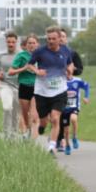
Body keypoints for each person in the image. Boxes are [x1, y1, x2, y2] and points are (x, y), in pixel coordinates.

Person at [29, 26, 74, 157]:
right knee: (44, 121)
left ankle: (52, 146)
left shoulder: (65, 50)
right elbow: (30, 64)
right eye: (48, 39)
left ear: (60, 39)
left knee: (55, 118)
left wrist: (70, 70)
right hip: (42, 92)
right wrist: (37, 71)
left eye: (54, 38)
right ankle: (42, 126)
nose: (51, 41)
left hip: (60, 91)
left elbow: (70, 63)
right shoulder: (40, 51)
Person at [9, 34, 41, 138]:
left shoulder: (42, 56)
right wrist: (24, 68)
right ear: (26, 45)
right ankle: (27, 130)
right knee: (25, 113)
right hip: (24, 86)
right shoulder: (21, 56)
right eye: (29, 43)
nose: (31, 45)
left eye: (33, 43)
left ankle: (34, 138)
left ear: (37, 44)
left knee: (34, 114)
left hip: (37, 87)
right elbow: (11, 72)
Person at [0, 32, 22, 137]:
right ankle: (6, 134)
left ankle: (14, 134)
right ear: (5, 42)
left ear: (16, 42)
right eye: (8, 42)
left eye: (13, 42)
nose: (11, 44)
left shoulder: (21, 55)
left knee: (16, 112)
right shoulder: (0, 55)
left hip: (19, 86)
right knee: (7, 108)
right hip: (5, 84)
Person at [61, 74, 90, 155]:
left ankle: (74, 137)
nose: (67, 72)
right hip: (64, 109)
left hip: (74, 107)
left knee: (74, 119)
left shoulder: (77, 80)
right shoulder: (61, 81)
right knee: (66, 130)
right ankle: (67, 145)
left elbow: (87, 86)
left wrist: (86, 97)